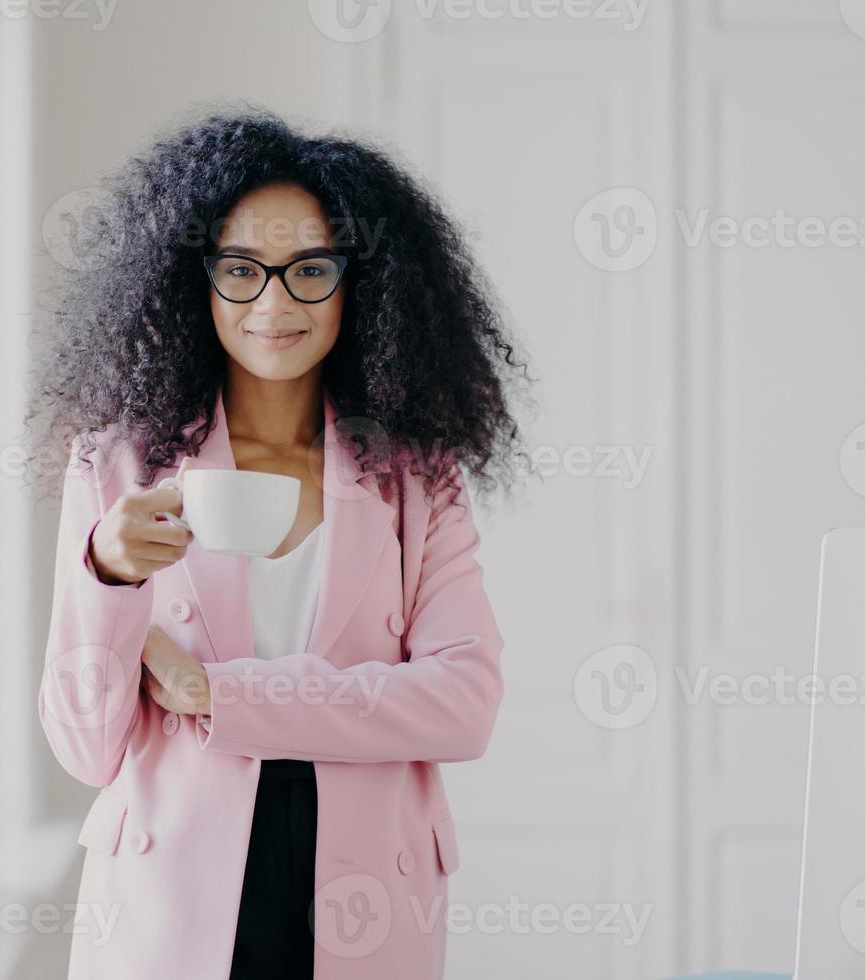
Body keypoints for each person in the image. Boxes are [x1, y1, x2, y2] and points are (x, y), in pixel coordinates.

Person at [28, 107, 531, 980]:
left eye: (309, 270)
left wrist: (218, 693)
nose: (273, 303)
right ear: (195, 282)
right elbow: (86, 749)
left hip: (366, 886)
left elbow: (464, 703)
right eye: (240, 270)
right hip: (172, 892)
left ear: (358, 283)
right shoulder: (116, 466)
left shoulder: (418, 474)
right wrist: (107, 575)